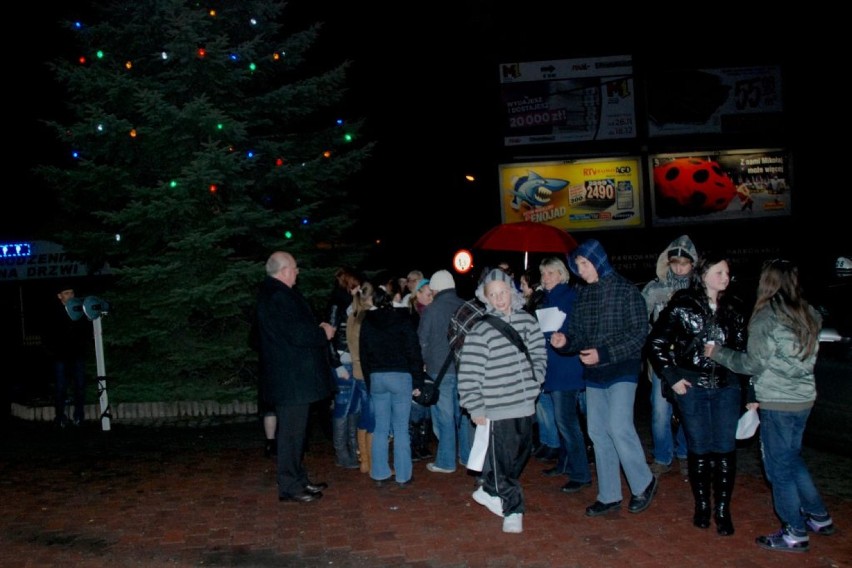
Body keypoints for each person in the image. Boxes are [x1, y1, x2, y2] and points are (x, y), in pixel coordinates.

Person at [707, 259, 835, 552]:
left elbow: (752, 363)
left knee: (778, 469)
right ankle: (818, 516)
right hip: (803, 399)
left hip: (778, 402)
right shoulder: (809, 313)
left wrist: (718, 353)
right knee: (792, 458)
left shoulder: (767, 317)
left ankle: (794, 531)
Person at [550, 239, 658, 517]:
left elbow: (638, 333)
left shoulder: (625, 291)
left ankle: (643, 483)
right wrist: (566, 341)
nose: (580, 270)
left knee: (618, 426)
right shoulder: (584, 294)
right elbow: (579, 333)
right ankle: (609, 495)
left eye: (583, 264)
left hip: (622, 368)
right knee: (597, 431)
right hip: (595, 372)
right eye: (577, 265)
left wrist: (604, 352)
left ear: (597, 261)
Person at [646, 251, 748, 535]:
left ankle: (723, 509)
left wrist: (748, 392)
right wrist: (673, 377)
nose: (724, 278)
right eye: (719, 273)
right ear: (703, 275)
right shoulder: (683, 304)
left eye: (727, 273)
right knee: (700, 447)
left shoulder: (736, 307)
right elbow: (656, 342)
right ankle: (703, 505)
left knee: (725, 449)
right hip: (693, 387)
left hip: (726, 386)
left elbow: (744, 353)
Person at [459, 268, 547, 534]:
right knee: (503, 463)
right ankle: (513, 509)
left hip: (525, 403)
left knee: (520, 456)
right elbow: (469, 371)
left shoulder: (528, 321)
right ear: (486, 298)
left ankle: (488, 489)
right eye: (492, 295)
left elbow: (539, 354)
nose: (499, 299)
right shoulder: (481, 330)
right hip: (497, 407)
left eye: (503, 292)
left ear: (512, 292)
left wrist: (536, 379)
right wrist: (475, 406)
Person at [254, 251, 336, 503]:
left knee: (296, 433)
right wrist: (323, 333)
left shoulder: (274, 294)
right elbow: (297, 334)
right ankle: (290, 485)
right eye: (295, 268)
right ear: (284, 270)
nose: (298, 272)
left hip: (291, 378)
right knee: (291, 434)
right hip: (292, 379)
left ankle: (298, 479)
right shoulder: (279, 296)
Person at [641, 235, 697, 476]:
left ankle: (685, 453)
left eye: (684, 263)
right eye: (675, 262)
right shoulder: (656, 287)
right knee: (659, 410)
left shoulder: (699, 288)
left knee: (688, 409)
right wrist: (655, 338)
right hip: (662, 360)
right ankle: (663, 456)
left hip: (690, 361)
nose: (679, 267)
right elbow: (640, 320)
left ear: (693, 264)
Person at [360, 284, 425, 487]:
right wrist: (417, 379)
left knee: (380, 427)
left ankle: (379, 473)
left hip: (378, 376)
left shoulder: (367, 321)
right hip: (400, 376)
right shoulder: (403, 318)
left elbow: (364, 354)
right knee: (400, 428)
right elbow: (413, 350)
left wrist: (369, 379)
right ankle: (403, 475)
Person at [536, 257, 592, 494]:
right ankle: (566, 463)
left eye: (550, 273)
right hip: (554, 367)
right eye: (543, 273)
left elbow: (575, 330)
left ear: (561, 274)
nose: (546, 278)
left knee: (566, 421)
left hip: (567, 368)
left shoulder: (569, 297)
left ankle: (581, 473)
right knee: (563, 421)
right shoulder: (547, 298)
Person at [418, 269, 466, 473]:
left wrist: (421, 363)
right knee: (463, 414)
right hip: (464, 368)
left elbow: (422, 341)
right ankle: (467, 456)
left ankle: (446, 461)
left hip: (439, 369)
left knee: (444, 416)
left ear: (435, 289)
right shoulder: (465, 306)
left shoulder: (431, 309)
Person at [327, 267, 362, 469]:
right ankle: (341, 452)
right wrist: (337, 363)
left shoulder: (350, 304)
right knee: (342, 407)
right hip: (343, 360)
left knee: (353, 408)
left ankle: (352, 446)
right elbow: (330, 336)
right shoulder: (337, 304)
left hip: (353, 361)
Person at [43, 284, 91, 428]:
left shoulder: (80, 311)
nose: (70, 295)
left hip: (77, 355)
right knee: (61, 387)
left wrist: (83, 347)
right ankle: (60, 416)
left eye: (72, 292)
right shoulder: (53, 313)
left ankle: (79, 416)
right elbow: (47, 335)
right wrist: (53, 352)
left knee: (80, 386)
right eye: (67, 293)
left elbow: (86, 331)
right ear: (60, 296)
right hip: (60, 356)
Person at [346, 281, 377, 474]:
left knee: (365, 415)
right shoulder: (367, 318)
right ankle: (370, 462)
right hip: (368, 373)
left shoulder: (352, 316)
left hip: (358, 372)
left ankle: (364, 459)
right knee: (372, 417)